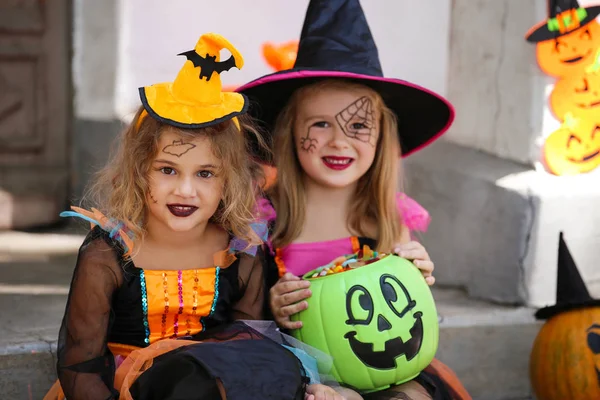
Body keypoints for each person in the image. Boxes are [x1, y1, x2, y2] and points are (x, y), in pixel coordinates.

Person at [44, 32, 344, 400]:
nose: (185, 190)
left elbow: (248, 348)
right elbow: (81, 366)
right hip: (134, 391)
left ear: (227, 182)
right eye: (168, 170)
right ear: (140, 171)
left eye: (205, 173)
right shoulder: (108, 256)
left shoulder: (242, 252)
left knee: (267, 364)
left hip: (211, 386)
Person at [237, 1, 471, 399]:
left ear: (382, 136)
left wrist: (415, 277)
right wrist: (272, 311)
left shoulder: (388, 216)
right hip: (295, 370)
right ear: (291, 132)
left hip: (382, 371)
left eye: (359, 125)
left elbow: (402, 322)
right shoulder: (262, 221)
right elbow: (238, 320)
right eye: (321, 124)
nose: (339, 141)